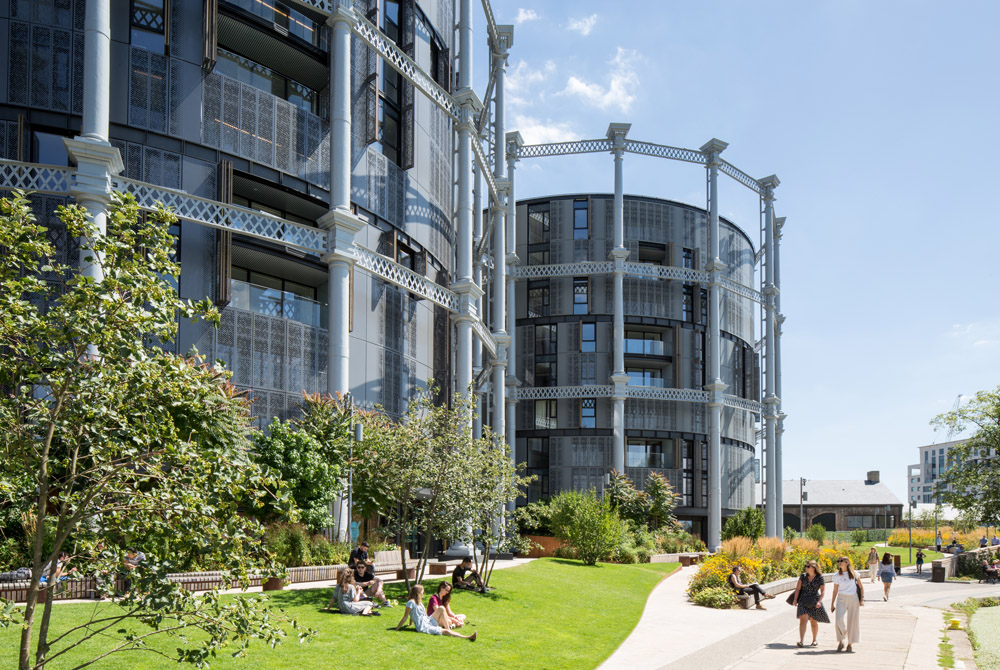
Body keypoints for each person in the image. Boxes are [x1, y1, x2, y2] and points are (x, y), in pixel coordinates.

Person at [395, 584, 476, 640]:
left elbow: (412, 614)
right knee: (445, 631)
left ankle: (448, 628)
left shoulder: (419, 602)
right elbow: (406, 616)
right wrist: (397, 629)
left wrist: (410, 624)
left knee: (441, 608)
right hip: (423, 626)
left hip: (428, 620)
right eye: (422, 591)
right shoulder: (411, 602)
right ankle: (468, 637)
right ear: (418, 593)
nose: (423, 593)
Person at [790, 560, 829, 647]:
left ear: (814, 567)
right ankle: (801, 641)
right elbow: (798, 589)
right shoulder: (803, 576)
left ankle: (814, 640)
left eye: (808, 566)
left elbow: (823, 591)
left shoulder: (820, 577)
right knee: (803, 621)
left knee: (813, 622)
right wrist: (795, 599)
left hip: (814, 601)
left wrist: (819, 601)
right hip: (803, 600)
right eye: (806, 566)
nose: (806, 568)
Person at [830, 556, 864, 653]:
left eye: (842, 561)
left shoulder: (854, 574)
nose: (839, 563)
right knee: (838, 620)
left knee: (853, 621)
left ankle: (850, 643)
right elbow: (835, 590)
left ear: (847, 563)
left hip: (853, 597)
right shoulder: (836, 576)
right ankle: (841, 640)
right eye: (838, 561)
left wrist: (862, 599)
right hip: (841, 598)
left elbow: (861, 587)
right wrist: (832, 603)